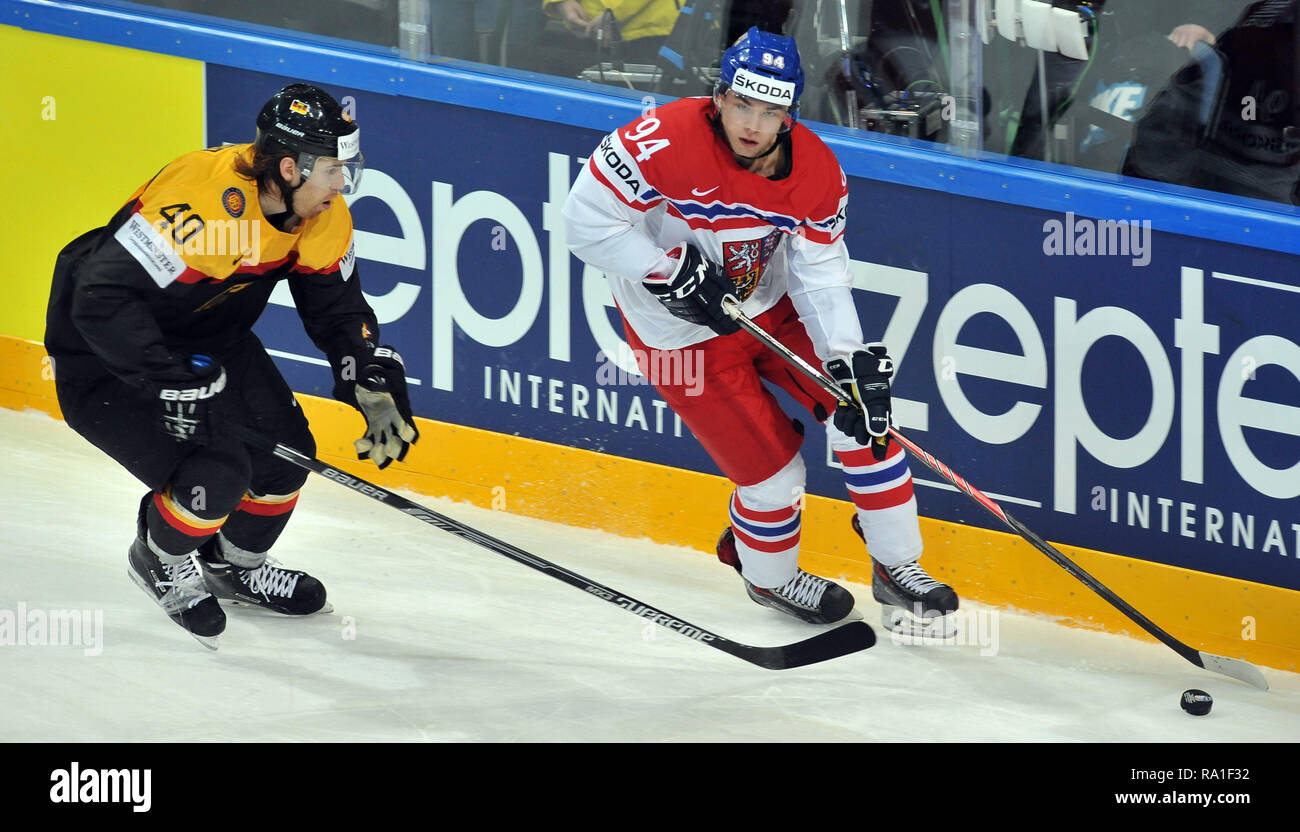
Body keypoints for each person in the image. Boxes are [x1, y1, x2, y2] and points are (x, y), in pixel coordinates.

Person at [563, 27, 958, 634]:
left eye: (770, 110)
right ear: (718, 97)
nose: (751, 122)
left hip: (769, 309)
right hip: (678, 336)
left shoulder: (819, 173)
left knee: (868, 420)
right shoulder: (660, 139)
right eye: (741, 103)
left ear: (790, 116)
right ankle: (770, 579)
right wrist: (666, 270)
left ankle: (897, 565)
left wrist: (847, 358)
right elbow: (584, 222)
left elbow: (820, 271)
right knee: (776, 477)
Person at [44, 84, 419, 649]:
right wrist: (168, 375)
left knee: (284, 457)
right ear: (291, 167)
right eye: (334, 170)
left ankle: (235, 566)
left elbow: (338, 312)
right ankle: (159, 554)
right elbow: (101, 297)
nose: (342, 183)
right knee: (217, 472)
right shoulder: (202, 200)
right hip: (106, 355)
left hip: (210, 337)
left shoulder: (321, 214)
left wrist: (366, 375)